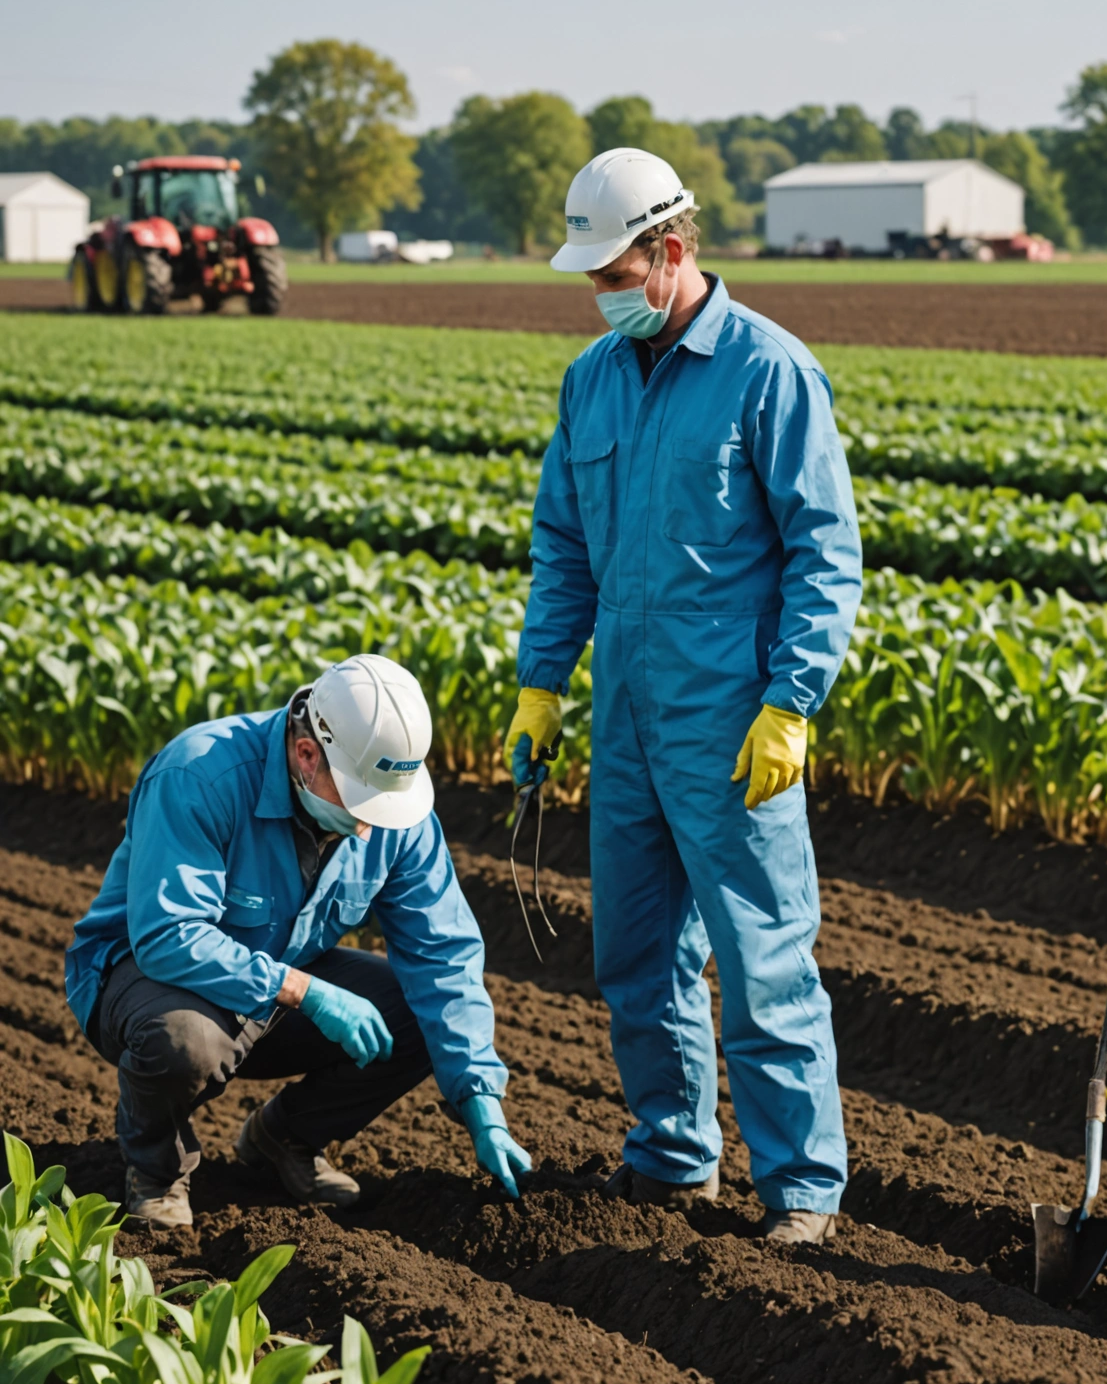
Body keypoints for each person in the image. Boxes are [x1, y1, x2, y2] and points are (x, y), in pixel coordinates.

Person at [504, 148, 863, 1244]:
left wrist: (792, 700)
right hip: (624, 711)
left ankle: (800, 1187)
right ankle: (671, 1157)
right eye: (589, 276)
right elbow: (564, 548)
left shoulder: (769, 370)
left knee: (762, 953)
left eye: (613, 269)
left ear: (670, 251)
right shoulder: (593, 378)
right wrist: (540, 682)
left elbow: (824, 553)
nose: (599, 292)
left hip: (730, 715)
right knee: (637, 948)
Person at [65, 654, 530, 1229]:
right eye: (360, 803)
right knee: (184, 1041)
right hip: (146, 978)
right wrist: (304, 990)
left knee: (416, 1012)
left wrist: (482, 1104)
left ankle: (284, 1139)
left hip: (278, 980)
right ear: (306, 755)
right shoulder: (200, 775)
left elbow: (445, 957)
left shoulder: (396, 816)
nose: (369, 827)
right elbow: (168, 936)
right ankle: (156, 1172)